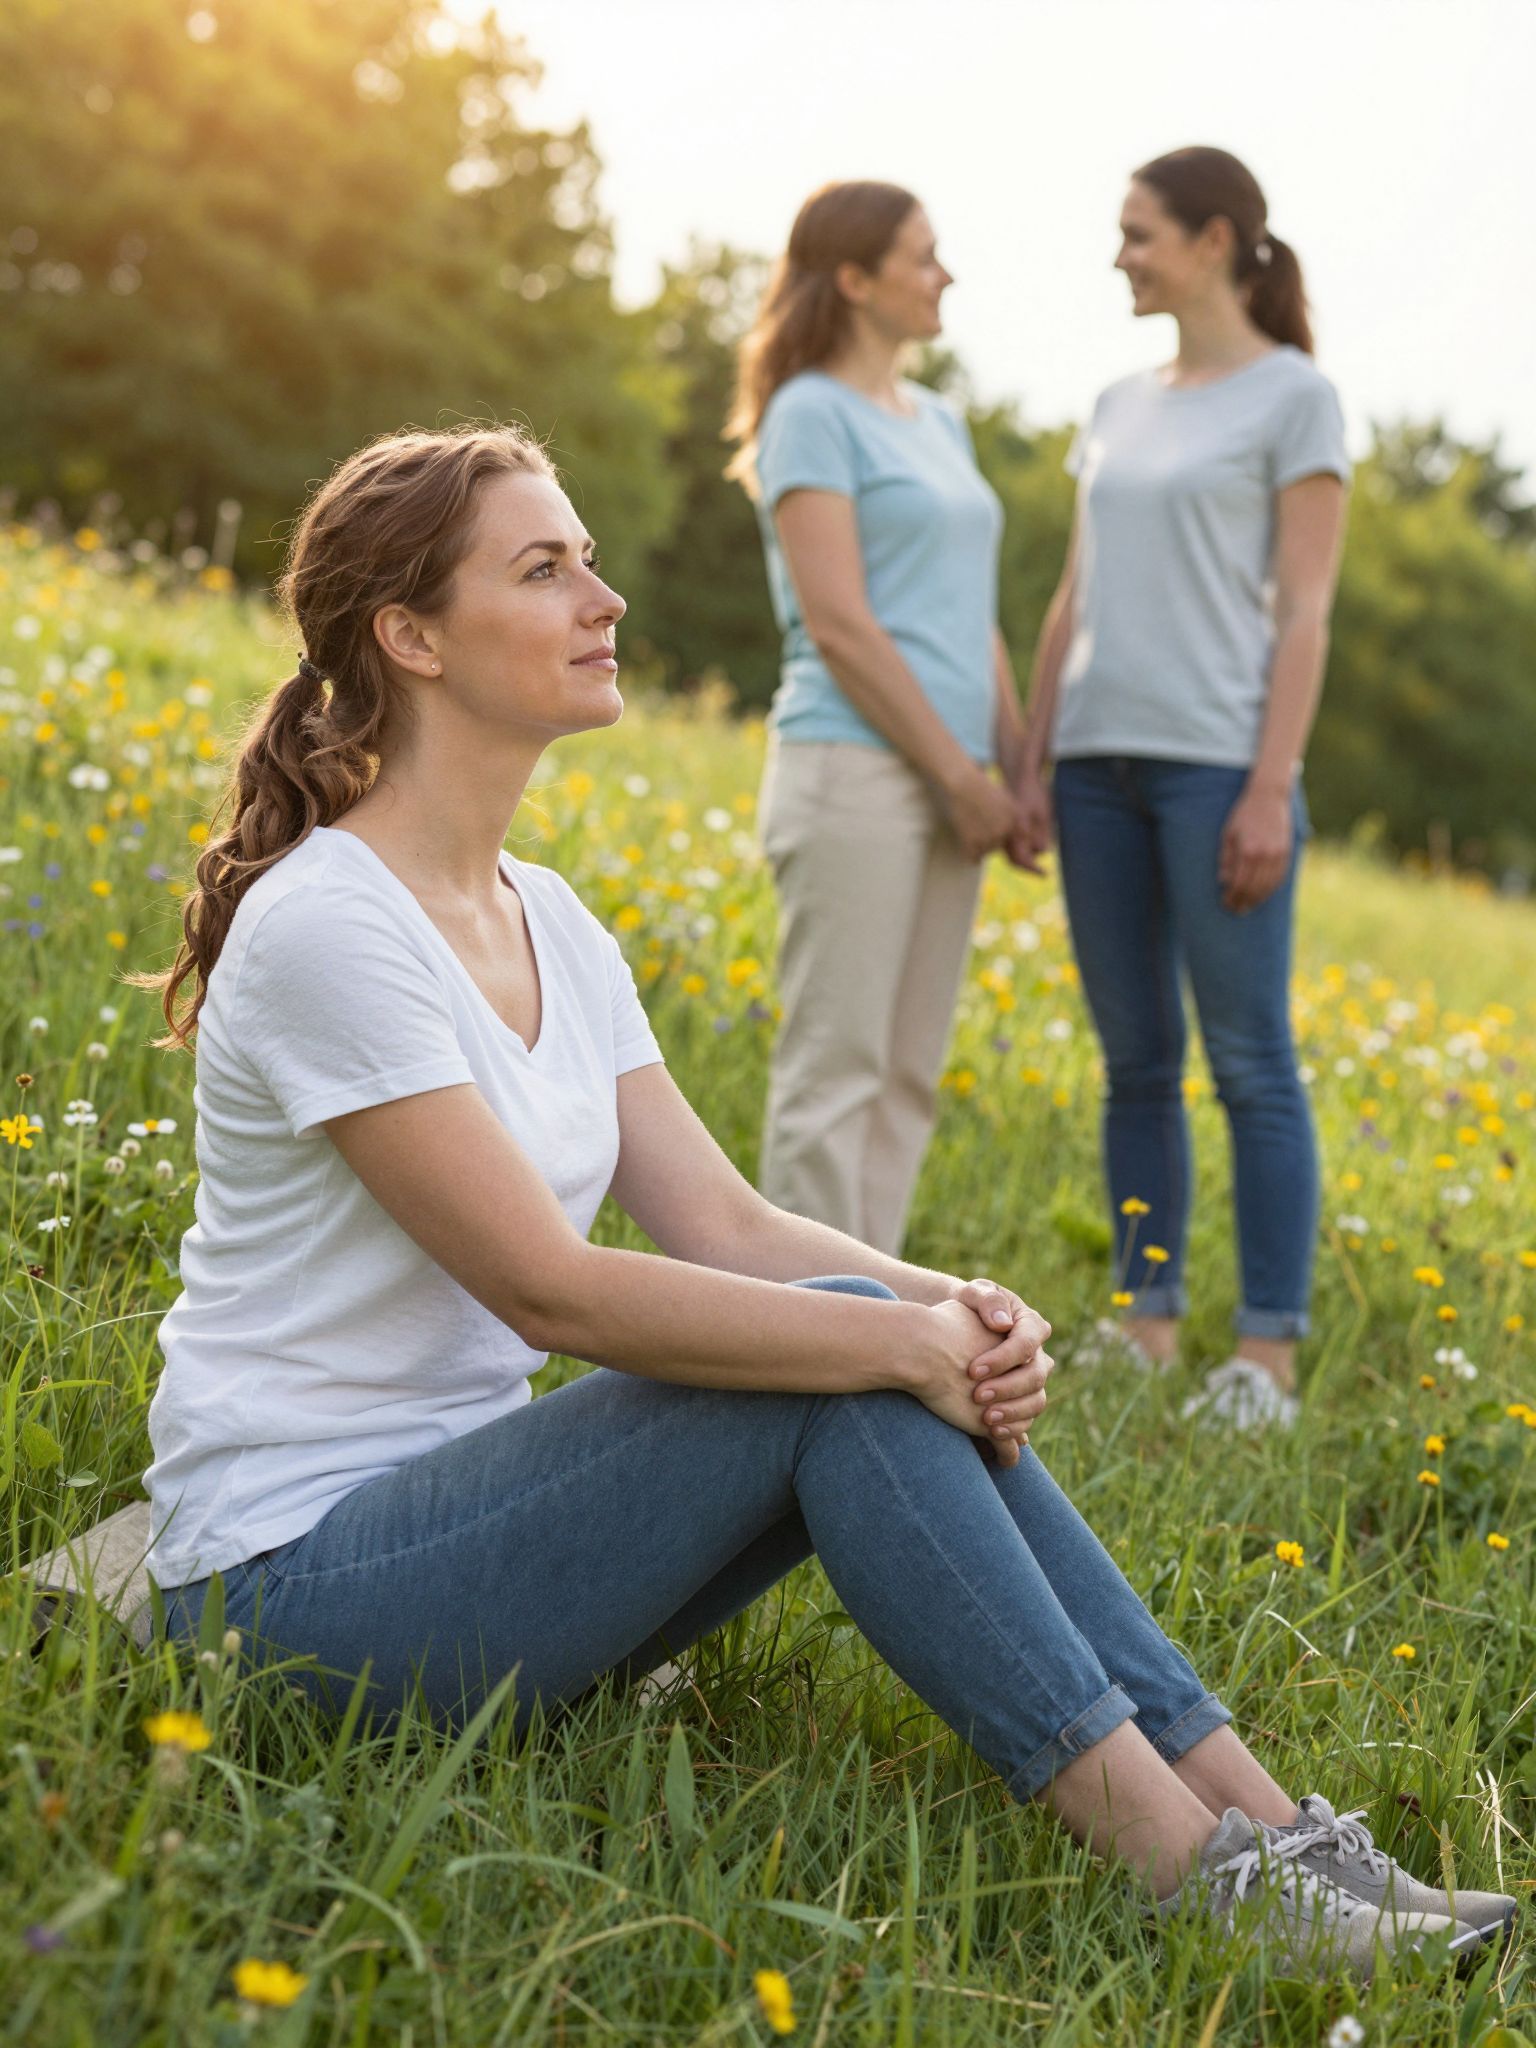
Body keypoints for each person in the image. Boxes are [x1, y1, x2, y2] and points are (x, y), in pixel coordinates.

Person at [138, 424, 1510, 1979]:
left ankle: (1270, 1831)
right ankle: (1200, 1881)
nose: (605, 599)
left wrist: (956, 1310)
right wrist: (893, 1341)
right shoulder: (332, 924)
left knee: (863, 1340)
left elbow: (722, 1224)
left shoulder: (554, 923)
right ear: (411, 636)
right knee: (847, 1360)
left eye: (587, 556)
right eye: (546, 568)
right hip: (289, 1596)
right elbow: (554, 1291)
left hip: (485, 1538)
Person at [1012, 147, 1351, 1429]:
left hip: (1221, 768)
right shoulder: (1114, 401)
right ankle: (1145, 1320)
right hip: (1096, 768)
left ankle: (1265, 1353)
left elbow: (1308, 611)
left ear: (1214, 242)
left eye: (1139, 233)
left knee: (1252, 1059)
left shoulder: (1295, 399)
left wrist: (1273, 784)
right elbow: (1074, 595)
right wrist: (1034, 756)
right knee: (1136, 1063)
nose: (1120, 255)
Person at [726, 181, 1028, 1257]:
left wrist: (1018, 767)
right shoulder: (809, 410)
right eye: (924, 255)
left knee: (905, 1077)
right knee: (836, 1069)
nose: (944, 274)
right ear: (854, 279)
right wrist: (960, 778)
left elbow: (970, 612)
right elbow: (841, 624)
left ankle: (882, 1331)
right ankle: (812, 1338)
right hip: (854, 770)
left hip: (960, 778)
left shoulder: (939, 420)